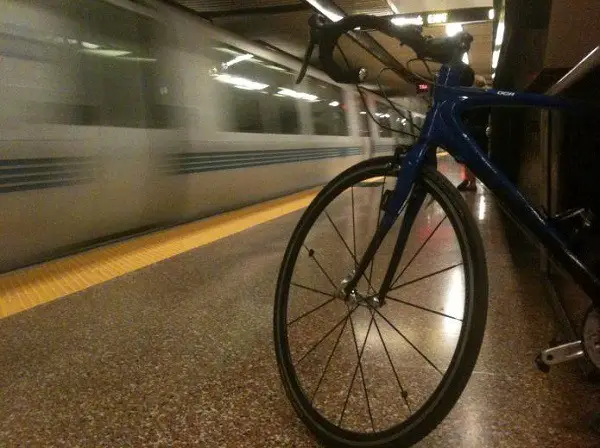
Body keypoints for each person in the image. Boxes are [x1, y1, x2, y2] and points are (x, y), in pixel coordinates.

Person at [457, 75, 490, 192]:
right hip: (482, 131)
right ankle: (470, 180)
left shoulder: (469, 98)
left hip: (470, 130)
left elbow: (462, 114)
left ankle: (471, 181)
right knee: (477, 158)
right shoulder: (486, 99)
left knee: (468, 158)